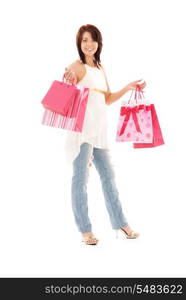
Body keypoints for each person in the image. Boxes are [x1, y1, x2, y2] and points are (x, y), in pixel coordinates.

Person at [64, 24, 146, 245]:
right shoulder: (77, 66)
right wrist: (69, 79)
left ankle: (120, 223)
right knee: (80, 179)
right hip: (82, 132)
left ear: (99, 43)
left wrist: (127, 87)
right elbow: (67, 84)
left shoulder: (100, 67)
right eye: (84, 40)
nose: (88, 44)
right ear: (79, 44)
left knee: (108, 177)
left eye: (92, 40)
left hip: (99, 131)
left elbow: (107, 99)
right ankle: (85, 231)